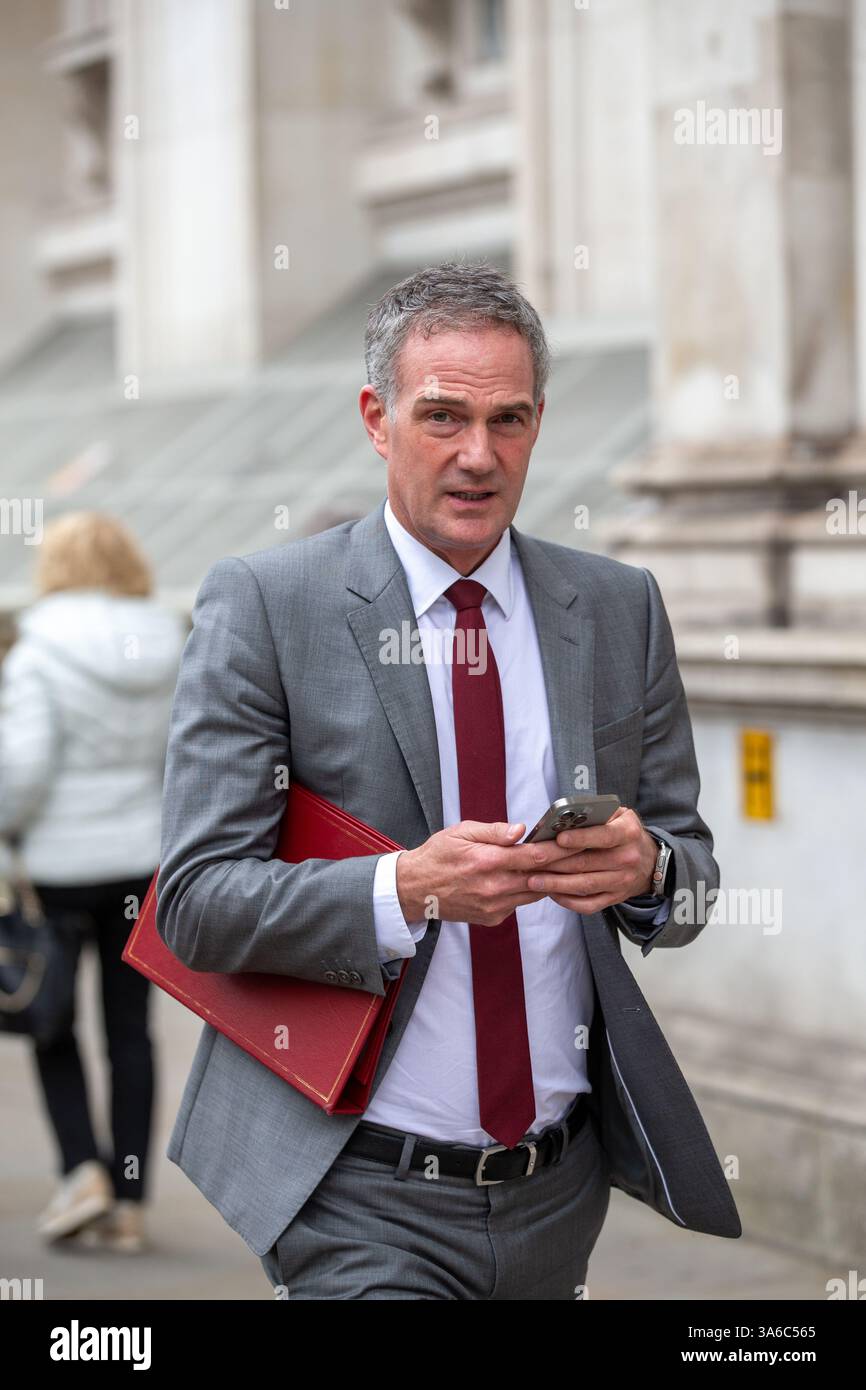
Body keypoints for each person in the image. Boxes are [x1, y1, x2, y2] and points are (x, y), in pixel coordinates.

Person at [156, 260, 741, 1300]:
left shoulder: (617, 608)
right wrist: (407, 889)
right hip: (357, 1192)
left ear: (539, 420)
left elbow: (691, 883)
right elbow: (196, 904)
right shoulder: (266, 604)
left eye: (509, 419)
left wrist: (645, 867)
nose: (479, 455)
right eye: (442, 418)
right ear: (376, 419)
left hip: (558, 1192)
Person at [0, 512, 186, 1251]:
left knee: (50, 1022)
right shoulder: (167, 642)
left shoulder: (37, 648)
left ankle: (83, 1170)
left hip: (55, 866)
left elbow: (21, 772)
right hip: (140, 863)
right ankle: (132, 1203)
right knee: (130, 1033)